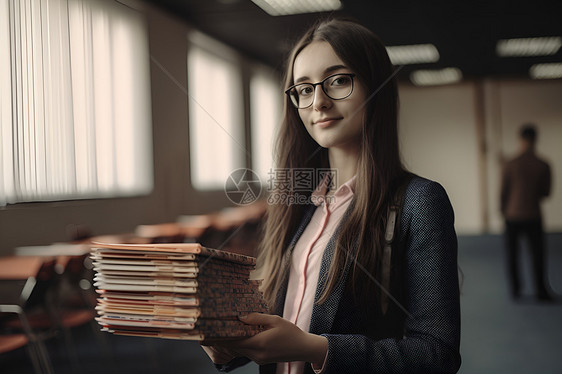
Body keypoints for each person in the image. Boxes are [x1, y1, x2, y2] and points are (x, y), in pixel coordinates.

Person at [202, 18, 461, 373]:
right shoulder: (297, 199)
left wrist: (317, 350)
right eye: (303, 89)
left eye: (338, 80)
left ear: (375, 87)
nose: (318, 102)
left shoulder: (419, 202)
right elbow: (293, 314)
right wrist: (234, 347)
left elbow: (437, 354)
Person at [500, 124, 553, 301]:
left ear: (520, 139)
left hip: (512, 214)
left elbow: (503, 191)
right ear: (536, 139)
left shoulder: (510, 163)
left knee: (512, 255)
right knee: (537, 254)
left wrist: (503, 211)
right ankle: (540, 290)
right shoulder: (543, 164)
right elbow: (546, 192)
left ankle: (516, 290)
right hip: (533, 214)